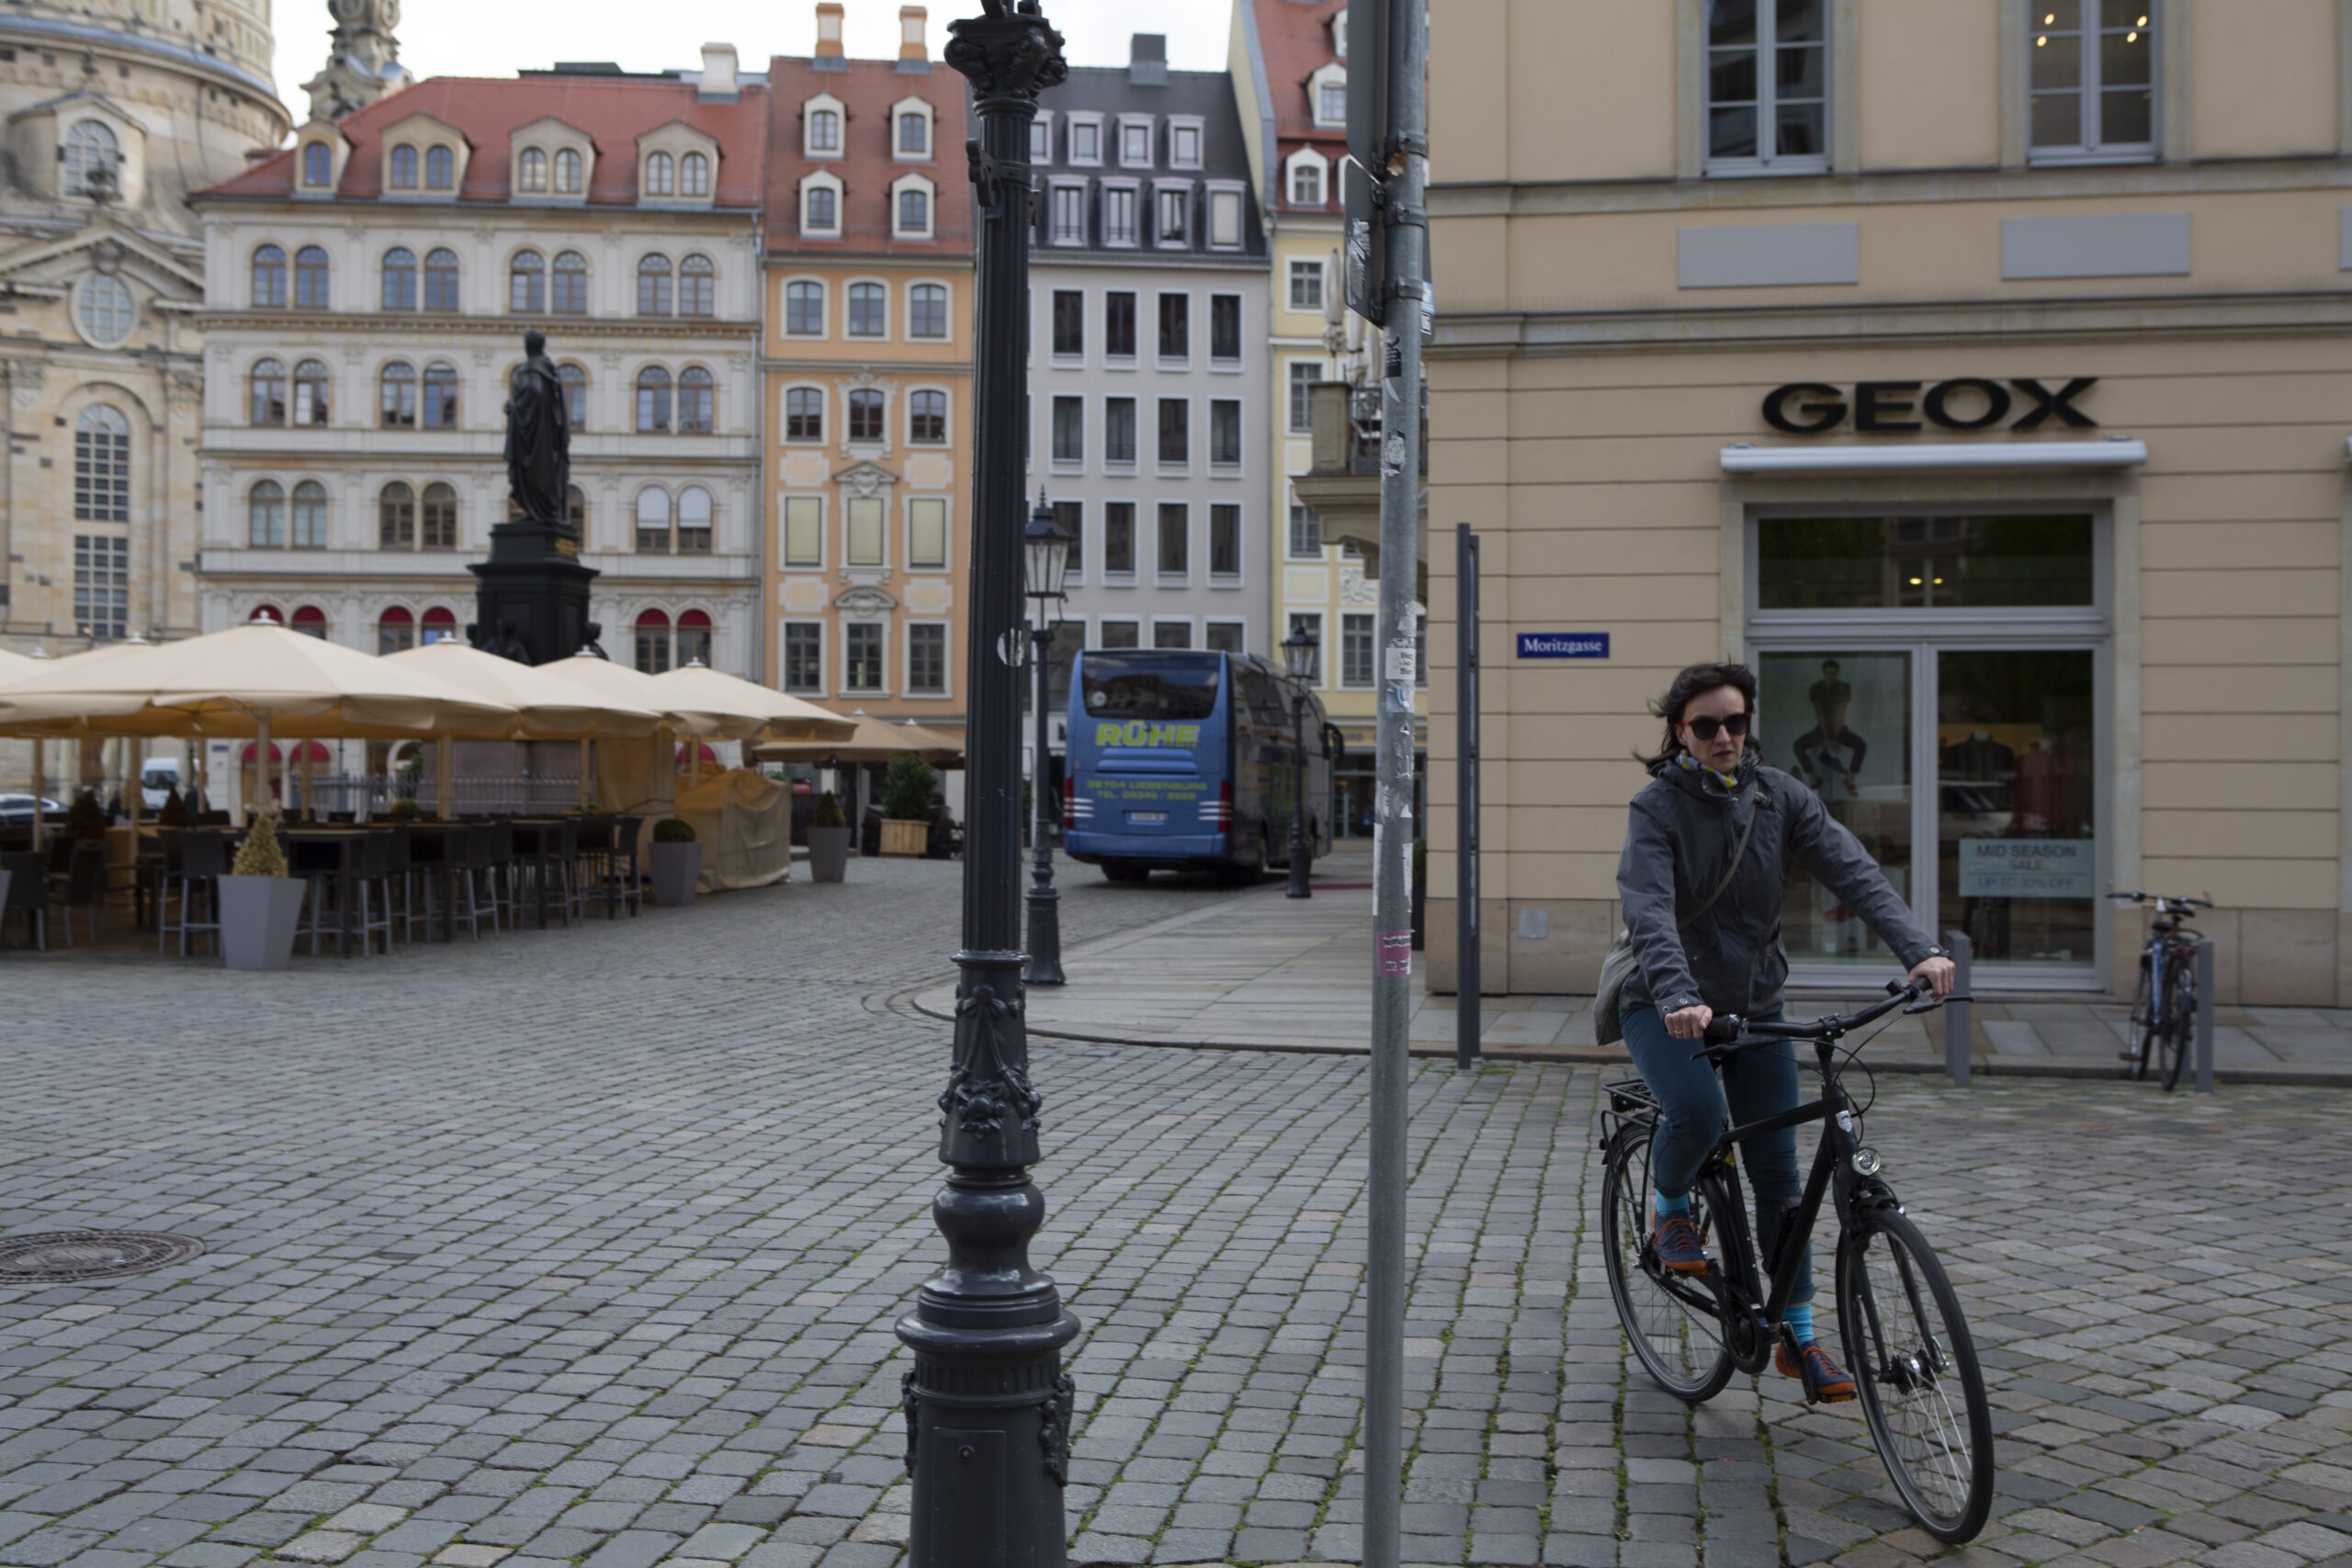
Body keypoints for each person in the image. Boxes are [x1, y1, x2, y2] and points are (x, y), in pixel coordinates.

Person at [1614, 661, 1953, 1401]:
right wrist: (1677, 993)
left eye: (1736, 722)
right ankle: (1670, 1209)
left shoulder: (1780, 797)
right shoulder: (1657, 808)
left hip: (1755, 1005)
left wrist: (1918, 948)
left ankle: (1800, 1336)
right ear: (1682, 732)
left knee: (1781, 1178)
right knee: (1700, 1113)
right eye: (1707, 725)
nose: (1725, 736)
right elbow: (1648, 908)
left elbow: (1852, 869)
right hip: (1662, 1001)